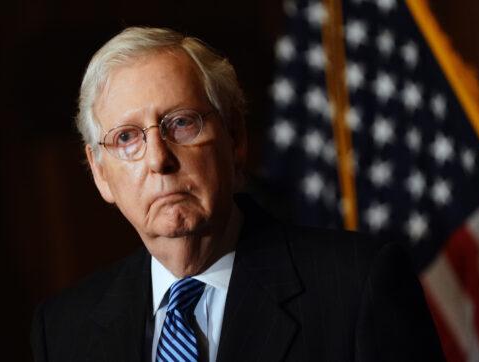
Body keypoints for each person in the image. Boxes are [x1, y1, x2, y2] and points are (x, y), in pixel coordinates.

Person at [30, 27, 444, 362]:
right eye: (126, 137)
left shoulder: (357, 287)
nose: (159, 159)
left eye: (181, 124)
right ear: (100, 172)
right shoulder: (64, 330)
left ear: (235, 137)